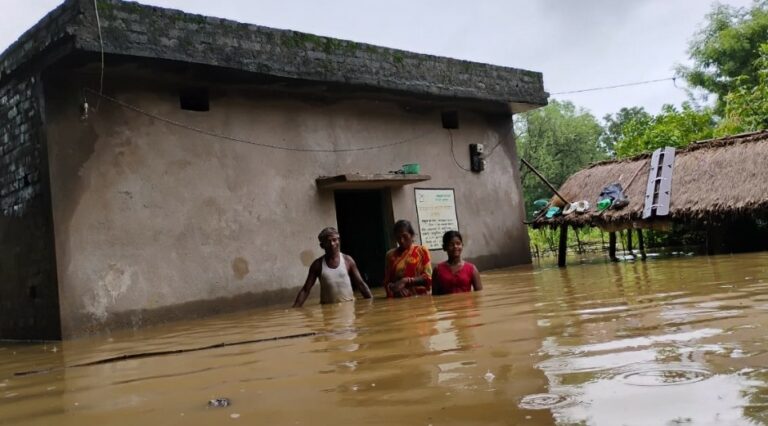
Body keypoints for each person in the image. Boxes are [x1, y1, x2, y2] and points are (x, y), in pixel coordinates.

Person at [293, 227, 373, 307]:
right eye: (328, 241)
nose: (332, 244)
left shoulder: (348, 260)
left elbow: (361, 284)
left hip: (349, 307)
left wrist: (371, 303)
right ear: (322, 245)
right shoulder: (317, 265)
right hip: (328, 310)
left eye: (334, 240)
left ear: (339, 241)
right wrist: (295, 309)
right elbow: (305, 290)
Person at [383, 220, 433, 297]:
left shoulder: (422, 251)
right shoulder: (390, 255)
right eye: (398, 238)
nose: (401, 240)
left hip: (422, 298)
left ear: (412, 235)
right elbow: (387, 282)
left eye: (405, 236)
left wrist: (406, 281)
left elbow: (428, 278)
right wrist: (396, 288)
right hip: (400, 300)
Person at [432, 230, 482, 295]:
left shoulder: (472, 269)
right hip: (446, 305)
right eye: (451, 244)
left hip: (467, 305)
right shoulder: (437, 270)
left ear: (462, 246)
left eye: (458, 243)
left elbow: (479, 295)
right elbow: (435, 297)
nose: (455, 246)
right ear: (444, 247)